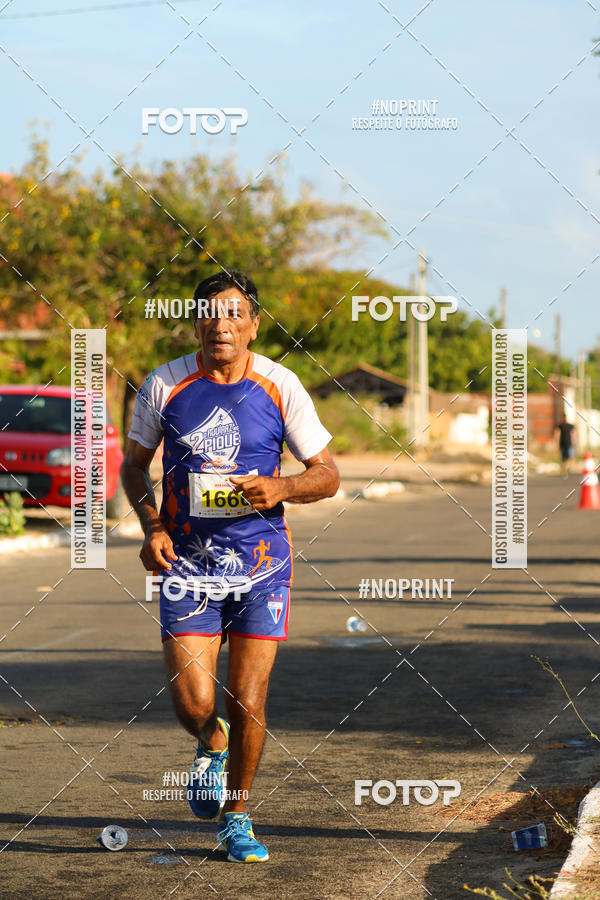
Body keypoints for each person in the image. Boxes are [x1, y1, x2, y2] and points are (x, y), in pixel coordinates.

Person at [121, 270, 339, 863]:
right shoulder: (165, 384)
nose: (223, 324)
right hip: (188, 564)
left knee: (249, 698)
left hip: (262, 564)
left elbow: (327, 474)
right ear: (196, 322)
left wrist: (282, 486)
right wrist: (153, 526)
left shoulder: (281, 384)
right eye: (212, 314)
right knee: (194, 702)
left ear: (252, 324)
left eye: (235, 314)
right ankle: (210, 741)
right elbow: (133, 467)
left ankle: (236, 817)